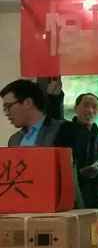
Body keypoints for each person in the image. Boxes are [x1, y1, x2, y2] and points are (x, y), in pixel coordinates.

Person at [1, 79, 84, 208]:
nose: (6, 113)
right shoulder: (14, 139)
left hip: (58, 208)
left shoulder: (64, 130)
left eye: (8, 106)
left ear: (28, 103)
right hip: (23, 208)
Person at [70, 93, 98, 210]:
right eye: (85, 105)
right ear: (75, 108)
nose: (90, 110)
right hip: (70, 204)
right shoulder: (65, 135)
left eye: (94, 107)